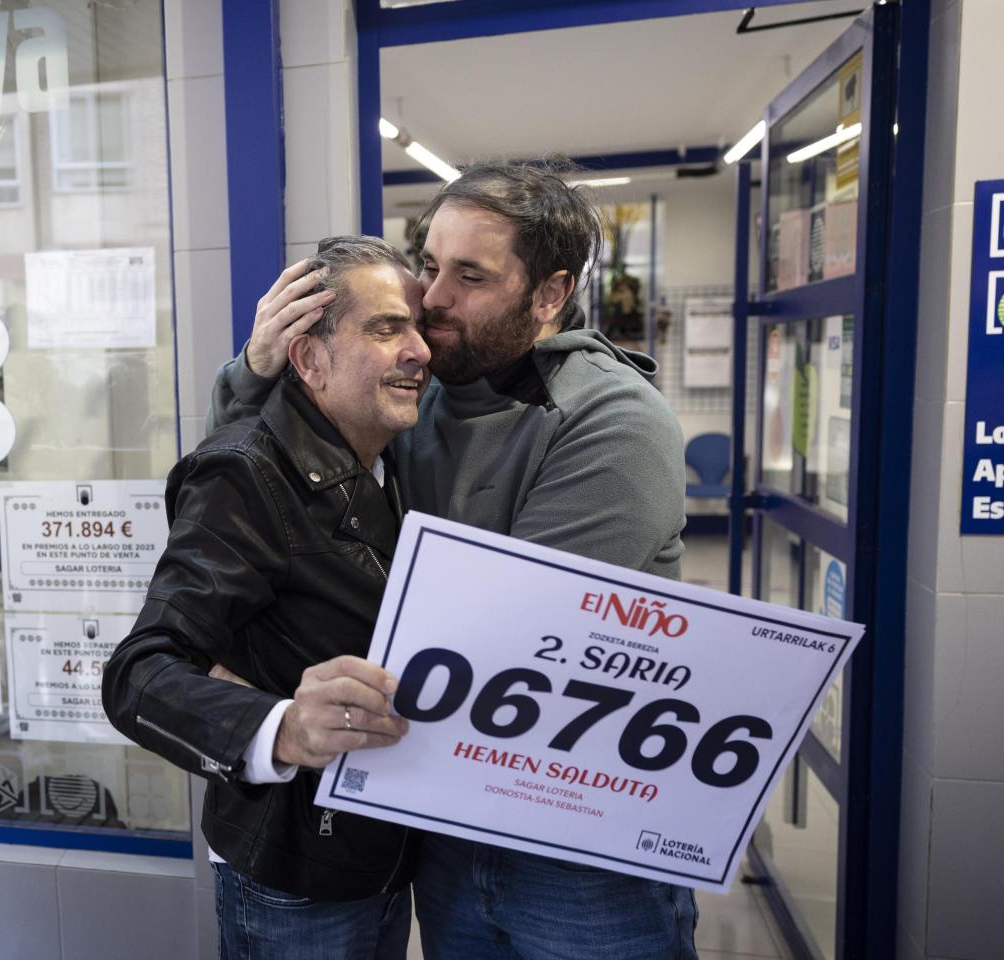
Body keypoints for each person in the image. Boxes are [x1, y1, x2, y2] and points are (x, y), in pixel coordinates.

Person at [211, 160, 696, 958]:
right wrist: (255, 371)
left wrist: (259, 673)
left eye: (469, 276)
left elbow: (508, 633)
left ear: (549, 294)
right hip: (445, 821)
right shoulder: (424, 385)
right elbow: (243, 486)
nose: (431, 299)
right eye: (430, 265)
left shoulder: (613, 420)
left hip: (577, 841)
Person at [103, 236, 429, 960]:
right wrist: (280, 725)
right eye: (384, 329)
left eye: (417, 327)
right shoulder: (244, 476)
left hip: (381, 857)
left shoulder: (390, 459)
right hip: (293, 876)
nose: (419, 351)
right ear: (309, 358)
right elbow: (139, 674)